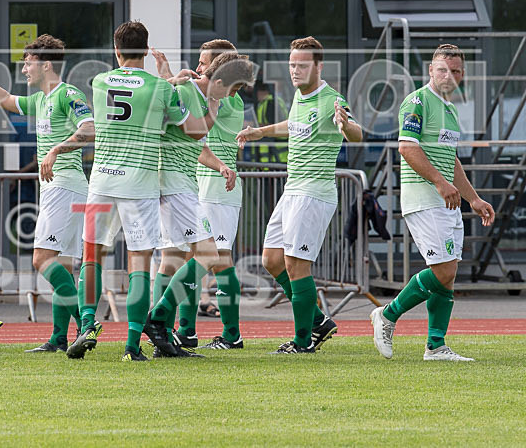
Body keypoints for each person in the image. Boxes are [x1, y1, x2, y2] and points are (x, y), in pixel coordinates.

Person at [67, 20, 213, 361]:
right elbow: (189, 127)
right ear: (146, 50)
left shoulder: (100, 81)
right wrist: (171, 81)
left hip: (102, 179)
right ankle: (132, 346)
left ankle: (87, 323)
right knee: (139, 264)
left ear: (116, 50)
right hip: (140, 182)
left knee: (92, 255)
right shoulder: (160, 88)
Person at [0, 33, 96, 353]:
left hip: (66, 187)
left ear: (45, 65)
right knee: (61, 265)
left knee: (41, 259)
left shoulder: (68, 93)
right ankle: (58, 338)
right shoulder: (40, 99)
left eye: (28, 63)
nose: (23, 70)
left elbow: (90, 129)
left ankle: (87, 326)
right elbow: (5, 100)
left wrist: (55, 152)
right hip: (58, 188)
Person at [237, 36, 363, 353]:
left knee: (296, 265)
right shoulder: (299, 96)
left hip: (314, 192)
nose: (295, 70)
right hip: (292, 189)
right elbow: (293, 125)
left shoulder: (332, 98)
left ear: (319, 67)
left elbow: (356, 133)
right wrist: (260, 131)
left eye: (302, 65)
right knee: (272, 260)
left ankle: (303, 341)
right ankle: (318, 320)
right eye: (292, 64)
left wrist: (345, 124)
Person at [370, 44, 495, 361]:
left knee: (448, 274)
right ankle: (387, 314)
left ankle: (436, 346)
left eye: (455, 71)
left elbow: (451, 162)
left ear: (462, 75)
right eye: (442, 69)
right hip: (424, 199)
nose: (448, 76)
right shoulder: (417, 101)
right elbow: (407, 148)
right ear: (430, 70)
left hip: (448, 201)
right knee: (442, 270)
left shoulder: (451, 110)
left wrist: (475, 199)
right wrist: (440, 183)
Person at [146, 51, 255, 355]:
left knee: (178, 259)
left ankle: (169, 335)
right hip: (179, 185)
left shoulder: (210, 96)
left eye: (204, 62)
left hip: (191, 186)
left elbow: (196, 139)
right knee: (206, 256)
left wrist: (170, 80)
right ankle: (163, 322)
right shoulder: (190, 92)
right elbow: (191, 131)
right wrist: (169, 80)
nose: (197, 68)